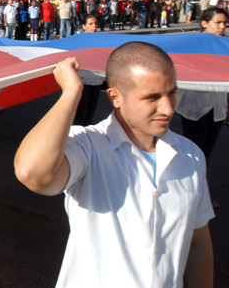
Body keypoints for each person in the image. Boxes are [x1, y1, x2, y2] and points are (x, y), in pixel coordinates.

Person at [14, 41, 214, 288]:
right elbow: (32, 173)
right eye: (152, 97)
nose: (168, 107)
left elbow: (198, 242)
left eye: (171, 92)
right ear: (115, 97)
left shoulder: (191, 155)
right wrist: (71, 92)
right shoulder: (88, 145)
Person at [176, 8, 227, 209]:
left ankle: (201, 196)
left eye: (225, 23)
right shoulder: (192, 46)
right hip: (194, 107)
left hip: (218, 108)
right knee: (192, 154)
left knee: (206, 155)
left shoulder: (226, 46)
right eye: (218, 22)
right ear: (204, 23)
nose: (223, 27)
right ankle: (189, 196)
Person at [73, 15, 104, 126]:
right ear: (84, 26)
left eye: (95, 23)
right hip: (83, 81)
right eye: (91, 24)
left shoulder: (101, 41)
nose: (94, 26)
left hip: (96, 81)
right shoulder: (78, 41)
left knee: (90, 114)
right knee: (80, 113)